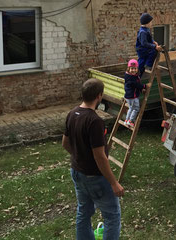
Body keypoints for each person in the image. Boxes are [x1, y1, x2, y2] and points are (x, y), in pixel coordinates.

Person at [62, 78, 124, 240]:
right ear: (99, 96)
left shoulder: (72, 114)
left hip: (77, 172)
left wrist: (79, 157)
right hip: (95, 177)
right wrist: (114, 183)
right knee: (112, 216)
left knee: (83, 213)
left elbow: (65, 143)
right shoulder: (94, 121)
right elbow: (100, 157)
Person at [124, 59, 146, 128]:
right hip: (132, 96)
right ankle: (131, 121)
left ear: (137, 68)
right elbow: (136, 84)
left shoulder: (128, 75)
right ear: (128, 68)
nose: (133, 70)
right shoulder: (131, 78)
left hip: (128, 96)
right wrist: (144, 86)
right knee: (136, 109)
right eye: (132, 68)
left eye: (135, 68)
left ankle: (126, 120)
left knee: (130, 108)